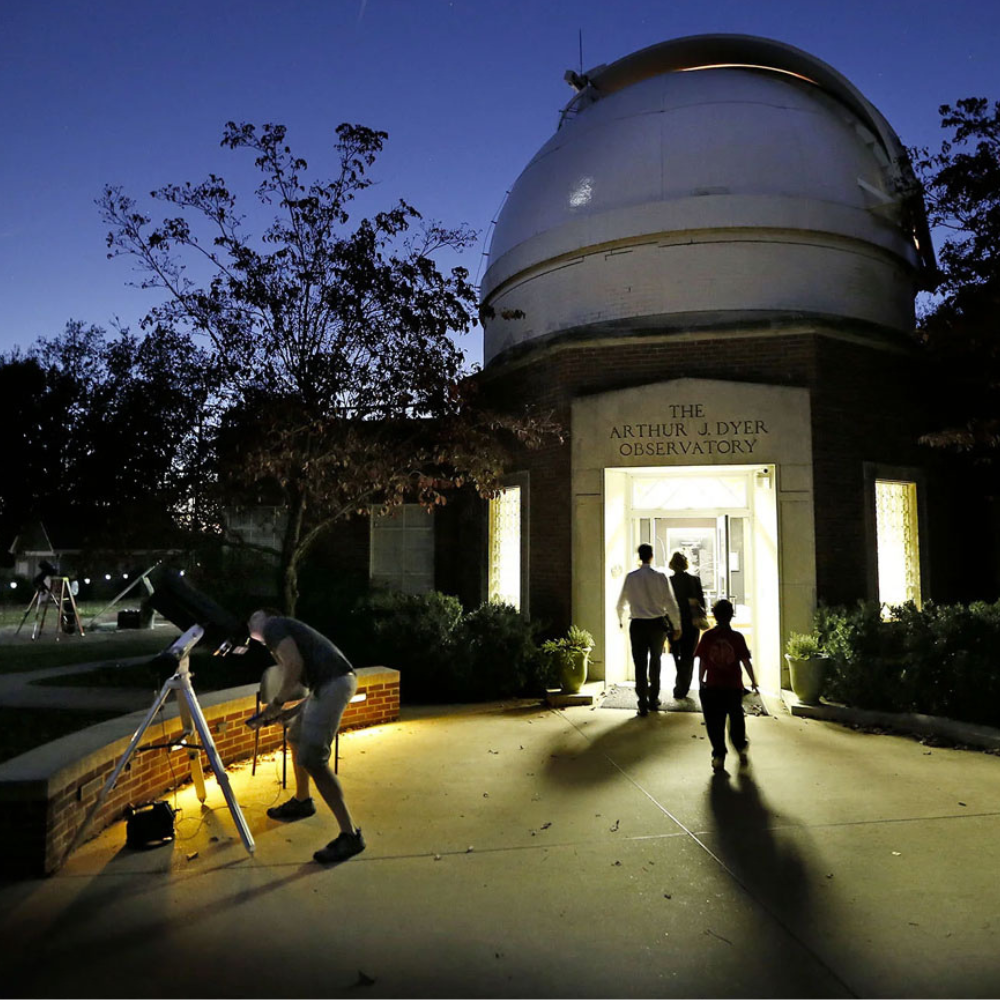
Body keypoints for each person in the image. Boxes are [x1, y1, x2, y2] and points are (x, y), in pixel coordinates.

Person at [248, 608, 366, 864]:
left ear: (265, 616)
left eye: (253, 617)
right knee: (296, 737)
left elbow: (294, 665)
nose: (249, 623)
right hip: (327, 684)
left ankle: (350, 835)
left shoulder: (273, 625)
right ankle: (303, 800)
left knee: (313, 759)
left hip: (334, 684)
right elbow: (311, 681)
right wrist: (289, 711)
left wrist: (276, 704)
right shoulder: (281, 631)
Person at [616, 543, 682, 716]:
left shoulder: (631, 577)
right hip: (657, 624)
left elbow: (621, 603)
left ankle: (642, 702)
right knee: (655, 660)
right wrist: (676, 625)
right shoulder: (661, 577)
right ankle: (654, 697)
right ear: (651, 556)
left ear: (639, 556)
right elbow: (670, 603)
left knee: (639, 663)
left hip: (637, 624)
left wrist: (621, 621)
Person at [694, 599, 758, 773]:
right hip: (733, 687)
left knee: (715, 723)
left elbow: (703, 661)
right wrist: (753, 681)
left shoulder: (707, 637)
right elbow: (745, 661)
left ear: (714, 615)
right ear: (731, 616)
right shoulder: (737, 637)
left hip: (713, 686)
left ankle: (719, 755)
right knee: (736, 718)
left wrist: (701, 680)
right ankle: (740, 745)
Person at [667, 551, 706, 700]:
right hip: (691, 623)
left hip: (674, 623)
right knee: (688, 656)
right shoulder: (695, 580)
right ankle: (683, 686)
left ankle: (680, 684)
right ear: (686, 564)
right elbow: (702, 603)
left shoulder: (668, 581)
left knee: (676, 653)